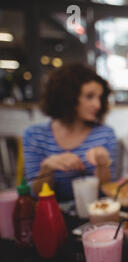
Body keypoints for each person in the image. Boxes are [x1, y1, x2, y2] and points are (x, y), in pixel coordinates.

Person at [23, 63, 118, 202]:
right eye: (89, 96)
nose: (97, 104)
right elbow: (35, 193)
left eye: (100, 97)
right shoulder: (35, 135)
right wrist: (47, 168)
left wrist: (103, 164)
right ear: (67, 96)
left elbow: (109, 190)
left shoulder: (105, 134)